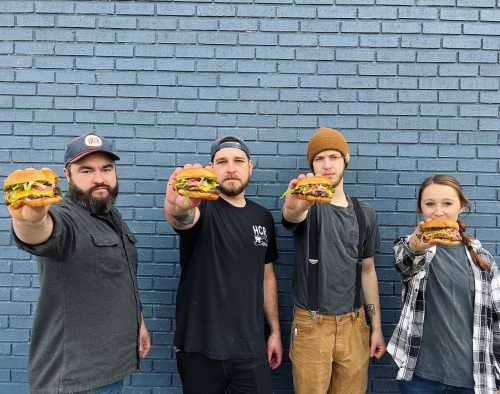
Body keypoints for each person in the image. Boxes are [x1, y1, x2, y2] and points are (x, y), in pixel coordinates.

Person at [7, 133, 150, 394]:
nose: (99, 178)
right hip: (76, 379)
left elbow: (120, 277)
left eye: (106, 169)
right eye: (86, 170)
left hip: (111, 368)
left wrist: (138, 322)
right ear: (67, 174)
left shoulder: (110, 216)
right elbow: (42, 233)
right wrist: (29, 219)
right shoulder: (65, 217)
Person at [164, 136, 282, 394]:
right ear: (211, 168)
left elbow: (267, 276)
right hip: (200, 348)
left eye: (238, 161)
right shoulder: (201, 206)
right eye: (222, 161)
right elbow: (181, 217)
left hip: (251, 348)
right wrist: (179, 206)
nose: (230, 168)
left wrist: (274, 330)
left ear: (250, 166)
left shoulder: (262, 216)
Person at [282, 127, 386, 394]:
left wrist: (376, 327)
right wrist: (300, 202)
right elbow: (291, 214)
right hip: (312, 326)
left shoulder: (365, 214)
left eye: (333, 157)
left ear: (346, 160)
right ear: (312, 165)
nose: (327, 165)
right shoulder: (307, 206)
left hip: (354, 325)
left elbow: (367, 271)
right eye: (319, 159)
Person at [388, 174, 500, 394]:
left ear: (461, 206)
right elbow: (405, 262)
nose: (438, 211)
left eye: (447, 203)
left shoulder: (483, 259)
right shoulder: (415, 247)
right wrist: (416, 244)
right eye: (429, 204)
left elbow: (497, 322)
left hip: (473, 380)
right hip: (420, 378)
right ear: (421, 209)